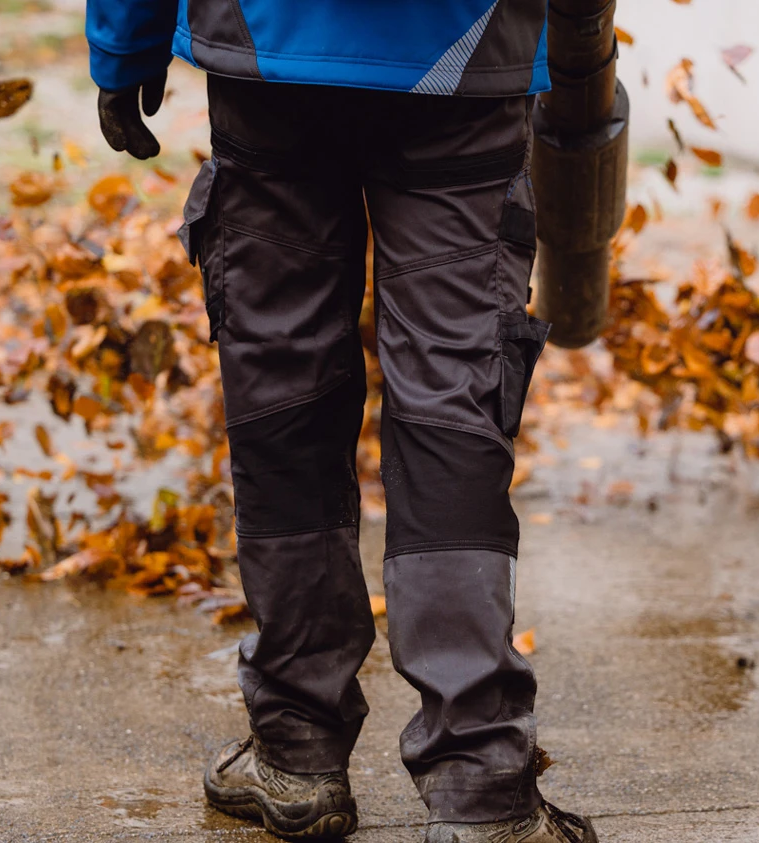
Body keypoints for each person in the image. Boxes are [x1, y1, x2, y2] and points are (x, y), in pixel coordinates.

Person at [84, 2, 593, 841]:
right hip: (461, 50)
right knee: (453, 400)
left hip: (269, 46)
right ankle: (478, 784)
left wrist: (124, 42)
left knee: (282, 377)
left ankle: (296, 746)